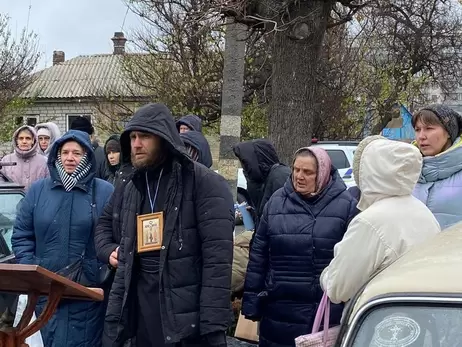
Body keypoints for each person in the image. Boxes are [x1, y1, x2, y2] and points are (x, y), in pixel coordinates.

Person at [102, 103, 234, 347]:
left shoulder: (205, 183)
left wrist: (212, 327)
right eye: (132, 137)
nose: (136, 144)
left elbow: (217, 262)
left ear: (163, 138)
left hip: (184, 317)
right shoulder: (134, 186)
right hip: (143, 309)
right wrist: (114, 321)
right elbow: (127, 259)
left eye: (144, 136)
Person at [242, 147, 357, 347]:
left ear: (322, 173)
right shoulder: (276, 202)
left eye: (308, 172)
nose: (299, 176)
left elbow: (353, 262)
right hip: (278, 307)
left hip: (322, 311)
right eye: (296, 170)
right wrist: (252, 302)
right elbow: (259, 256)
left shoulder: (346, 205)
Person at [12, 129, 114, 347]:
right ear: (56, 156)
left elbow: (114, 235)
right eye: (65, 152)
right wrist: (32, 269)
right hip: (44, 292)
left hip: (87, 292)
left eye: (77, 153)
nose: (69, 158)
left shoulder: (104, 191)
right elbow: (22, 234)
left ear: (87, 156)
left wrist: (95, 269)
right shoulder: (38, 190)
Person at [320, 136, 441, 305]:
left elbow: (338, 288)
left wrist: (327, 275)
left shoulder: (370, 221)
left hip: (383, 318)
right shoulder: (423, 212)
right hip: (422, 312)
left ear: (370, 171)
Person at [412, 104, 462, 229]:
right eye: (418, 130)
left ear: (449, 132)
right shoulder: (407, 171)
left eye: (429, 128)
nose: (422, 136)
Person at [233, 139, 291, 225]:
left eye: (245, 162)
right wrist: (254, 213)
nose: (243, 166)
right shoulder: (263, 178)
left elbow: (284, 217)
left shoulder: (279, 176)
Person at [1, 125, 49, 190]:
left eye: (28, 138)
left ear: (33, 141)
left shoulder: (44, 161)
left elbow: (48, 185)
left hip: (37, 199)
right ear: (16, 141)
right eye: (21, 138)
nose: (24, 141)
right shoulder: (6, 160)